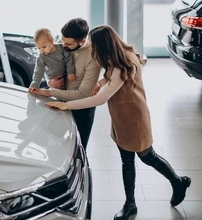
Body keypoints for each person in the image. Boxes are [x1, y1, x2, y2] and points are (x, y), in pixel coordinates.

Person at [45, 24, 191, 220]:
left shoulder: (123, 65)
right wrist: (100, 83)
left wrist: (67, 105)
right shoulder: (119, 56)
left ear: (104, 46)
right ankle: (130, 204)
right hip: (122, 117)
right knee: (127, 160)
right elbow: (110, 79)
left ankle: (178, 182)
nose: (93, 50)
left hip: (134, 120)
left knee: (148, 156)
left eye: (95, 46)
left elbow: (101, 99)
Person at [30, 18, 101, 150]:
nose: (62, 45)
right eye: (61, 40)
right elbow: (49, 69)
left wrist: (50, 91)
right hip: (59, 103)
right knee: (50, 148)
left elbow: (83, 94)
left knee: (79, 150)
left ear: (82, 41)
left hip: (81, 109)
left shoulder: (93, 58)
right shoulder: (60, 47)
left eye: (68, 43)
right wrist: (50, 82)